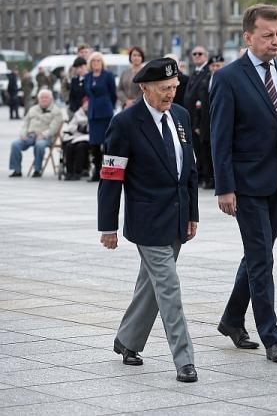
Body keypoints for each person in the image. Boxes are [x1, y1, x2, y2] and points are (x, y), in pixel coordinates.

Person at [211, 4, 277, 362]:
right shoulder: (228, 78)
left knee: (258, 256)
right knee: (262, 260)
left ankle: (232, 319)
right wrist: (224, 187)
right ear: (248, 36)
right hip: (246, 184)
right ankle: (273, 338)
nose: (275, 41)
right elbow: (219, 138)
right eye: (267, 35)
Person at [98, 57, 199, 383]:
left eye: (174, 87)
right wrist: (108, 225)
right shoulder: (125, 123)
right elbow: (111, 177)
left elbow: (190, 171)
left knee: (151, 286)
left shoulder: (181, 116)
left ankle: (127, 340)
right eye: (164, 89)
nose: (171, 94)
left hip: (177, 217)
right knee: (169, 287)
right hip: (147, 221)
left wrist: (192, 214)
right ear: (144, 87)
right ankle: (184, 359)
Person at [8, 89, 64, 177]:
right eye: (42, 98)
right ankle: (16, 170)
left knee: (40, 145)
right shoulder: (33, 109)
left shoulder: (56, 111)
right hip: (30, 136)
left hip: (46, 137)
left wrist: (44, 135)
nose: (44, 99)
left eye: (46, 97)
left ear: (51, 99)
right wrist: (23, 134)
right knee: (15, 144)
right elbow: (25, 123)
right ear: (38, 99)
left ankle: (37, 170)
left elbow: (54, 128)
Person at [84, 52, 117, 182]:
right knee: (95, 144)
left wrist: (109, 105)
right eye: (93, 61)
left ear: (102, 62)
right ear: (90, 63)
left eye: (98, 60)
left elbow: (113, 93)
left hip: (105, 112)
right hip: (93, 113)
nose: (96, 63)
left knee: (107, 143)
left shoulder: (108, 75)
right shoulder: (88, 77)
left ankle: (108, 171)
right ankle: (96, 172)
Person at [183, 46, 211, 184]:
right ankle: (200, 173)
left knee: (203, 148)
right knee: (196, 147)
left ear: (206, 56)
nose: (197, 56)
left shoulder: (207, 72)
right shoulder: (194, 72)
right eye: (194, 54)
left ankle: (206, 175)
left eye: (200, 53)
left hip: (200, 117)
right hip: (191, 116)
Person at [197, 54, 224, 190]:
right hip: (206, 122)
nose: (215, 68)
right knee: (205, 151)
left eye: (218, 65)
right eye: (213, 66)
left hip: (220, 121)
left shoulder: (226, 79)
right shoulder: (205, 80)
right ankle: (208, 179)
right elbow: (198, 103)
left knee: (218, 150)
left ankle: (217, 179)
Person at [61, 97, 90, 180]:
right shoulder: (78, 114)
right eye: (85, 104)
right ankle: (69, 172)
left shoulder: (93, 114)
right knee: (69, 146)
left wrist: (86, 129)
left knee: (80, 147)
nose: (86, 106)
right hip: (75, 136)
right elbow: (70, 126)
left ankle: (78, 172)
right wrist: (77, 128)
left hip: (87, 138)